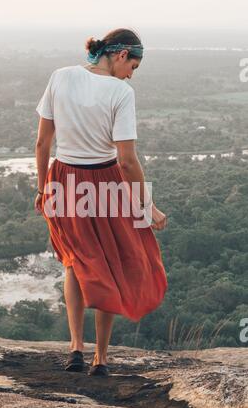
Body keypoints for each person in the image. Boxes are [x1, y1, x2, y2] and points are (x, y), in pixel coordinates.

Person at [35, 27, 168, 377]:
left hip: (62, 180)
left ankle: (75, 349)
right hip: (104, 181)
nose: (131, 74)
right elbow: (126, 160)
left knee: (75, 264)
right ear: (122, 55)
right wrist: (147, 206)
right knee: (109, 265)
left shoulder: (60, 77)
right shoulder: (121, 92)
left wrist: (40, 189)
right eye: (133, 66)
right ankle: (101, 358)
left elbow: (42, 144)